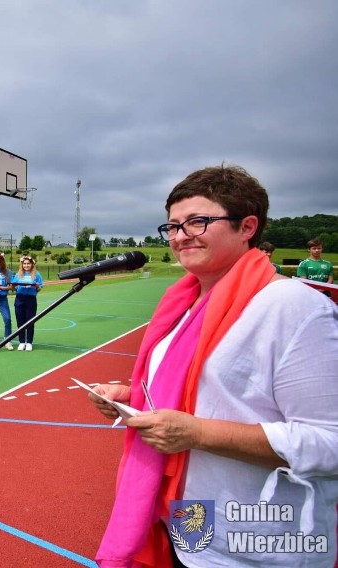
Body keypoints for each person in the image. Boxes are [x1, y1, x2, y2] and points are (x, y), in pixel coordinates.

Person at [89, 165, 338, 568]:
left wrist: (198, 433)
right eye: (171, 226)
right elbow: (200, 393)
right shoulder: (184, 306)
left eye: (198, 221)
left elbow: (331, 444)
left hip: (262, 545)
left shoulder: (293, 307)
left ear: (247, 227)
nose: (180, 235)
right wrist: (131, 397)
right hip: (190, 522)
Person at [10, 255, 43, 351]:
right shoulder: (18, 274)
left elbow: (40, 288)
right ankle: (21, 342)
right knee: (20, 321)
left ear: (32, 264)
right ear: (22, 264)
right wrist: (13, 286)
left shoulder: (37, 274)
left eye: (28, 263)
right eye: (24, 263)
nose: (26, 265)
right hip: (20, 299)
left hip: (31, 299)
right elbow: (14, 287)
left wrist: (37, 286)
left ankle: (29, 342)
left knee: (30, 321)